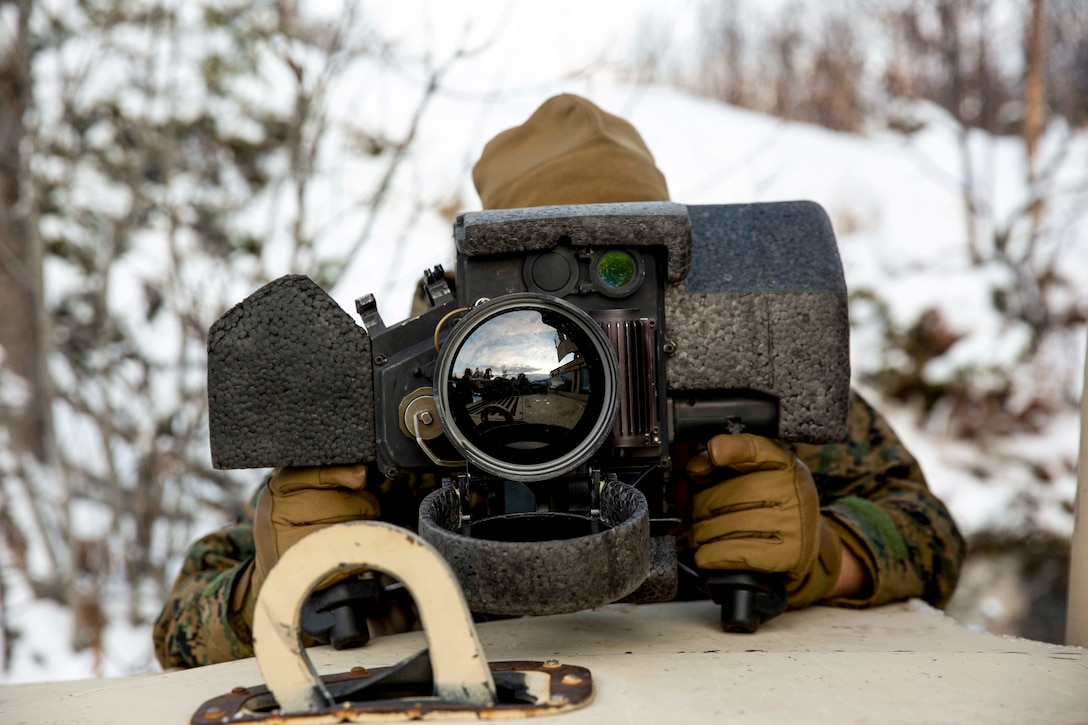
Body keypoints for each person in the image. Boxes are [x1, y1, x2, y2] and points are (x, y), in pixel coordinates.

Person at [153, 94, 965, 669]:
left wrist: (824, 550)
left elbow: (927, 529)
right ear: (466, 307)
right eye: (536, 305)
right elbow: (182, 621)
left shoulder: (731, 383)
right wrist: (286, 574)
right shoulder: (420, 414)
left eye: (617, 287)